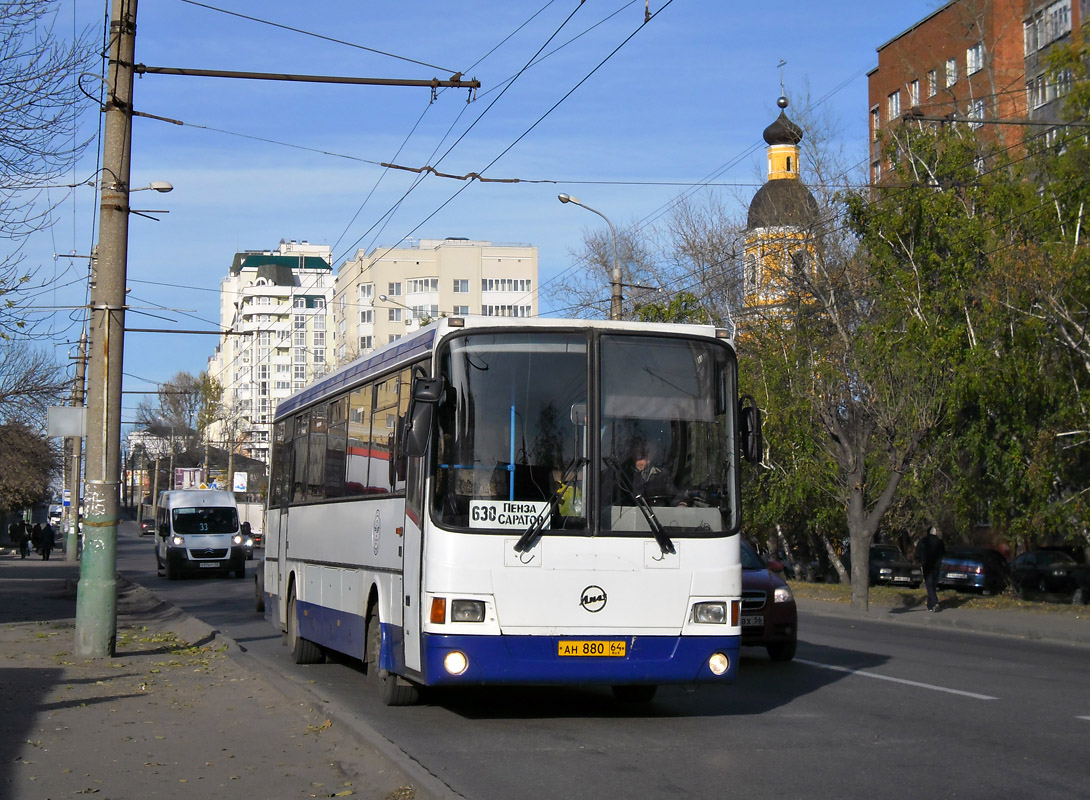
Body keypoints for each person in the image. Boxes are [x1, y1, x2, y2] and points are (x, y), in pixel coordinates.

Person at [914, 525, 946, 612]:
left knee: (929, 584)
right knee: (933, 584)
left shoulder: (923, 541)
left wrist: (920, 560)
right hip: (936, 566)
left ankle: (935, 602)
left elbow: (917, 554)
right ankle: (930, 605)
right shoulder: (939, 542)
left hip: (926, 565)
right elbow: (943, 553)